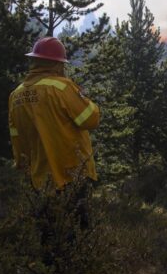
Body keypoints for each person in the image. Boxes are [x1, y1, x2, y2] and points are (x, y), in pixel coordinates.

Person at [8, 36, 100, 191]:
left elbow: (15, 136)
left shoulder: (16, 95)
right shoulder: (62, 88)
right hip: (72, 175)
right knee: (75, 215)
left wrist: (22, 165)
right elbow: (91, 119)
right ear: (58, 63)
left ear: (35, 62)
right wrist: (81, 96)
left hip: (39, 180)